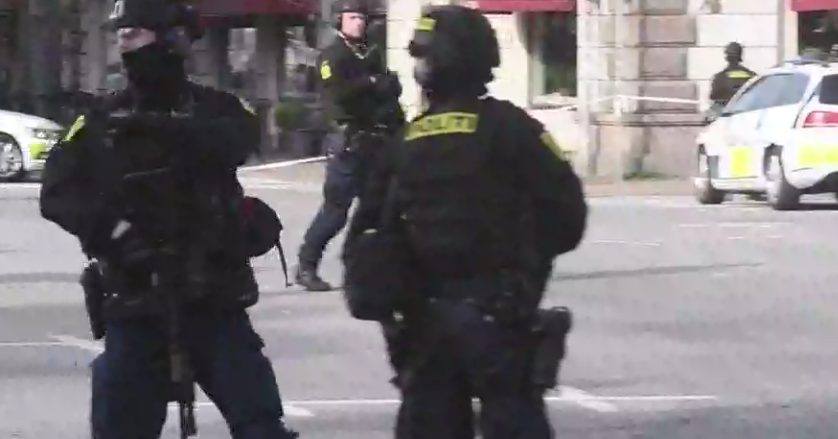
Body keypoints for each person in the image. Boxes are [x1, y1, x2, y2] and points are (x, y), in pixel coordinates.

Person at [38, 1, 299, 438]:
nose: (125, 46)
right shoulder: (102, 119)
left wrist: (163, 130)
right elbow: (57, 195)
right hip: (136, 298)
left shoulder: (215, 109)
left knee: (260, 424)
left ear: (173, 40)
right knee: (120, 424)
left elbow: (238, 140)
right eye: (121, 36)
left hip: (212, 297)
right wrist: (114, 233)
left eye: (135, 34)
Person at [344, 6, 587, 438]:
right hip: (500, 316)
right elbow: (568, 216)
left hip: (422, 327)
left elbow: (365, 239)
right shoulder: (512, 129)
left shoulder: (402, 143)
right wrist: (526, 267)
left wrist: (395, 306)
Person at [295, 0, 405, 291]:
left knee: (376, 210)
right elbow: (337, 96)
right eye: (353, 17)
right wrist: (370, 82)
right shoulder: (332, 56)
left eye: (362, 18)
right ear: (339, 20)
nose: (359, 23)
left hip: (376, 142)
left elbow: (387, 93)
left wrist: (389, 87)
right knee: (335, 212)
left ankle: (366, 269)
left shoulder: (370, 54)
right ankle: (306, 266)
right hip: (348, 143)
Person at [707, 42, 756, 119]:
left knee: (712, 112)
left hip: (726, 117)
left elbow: (713, 96)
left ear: (727, 57)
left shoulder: (720, 77)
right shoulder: (752, 76)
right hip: (747, 115)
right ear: (740, 55)